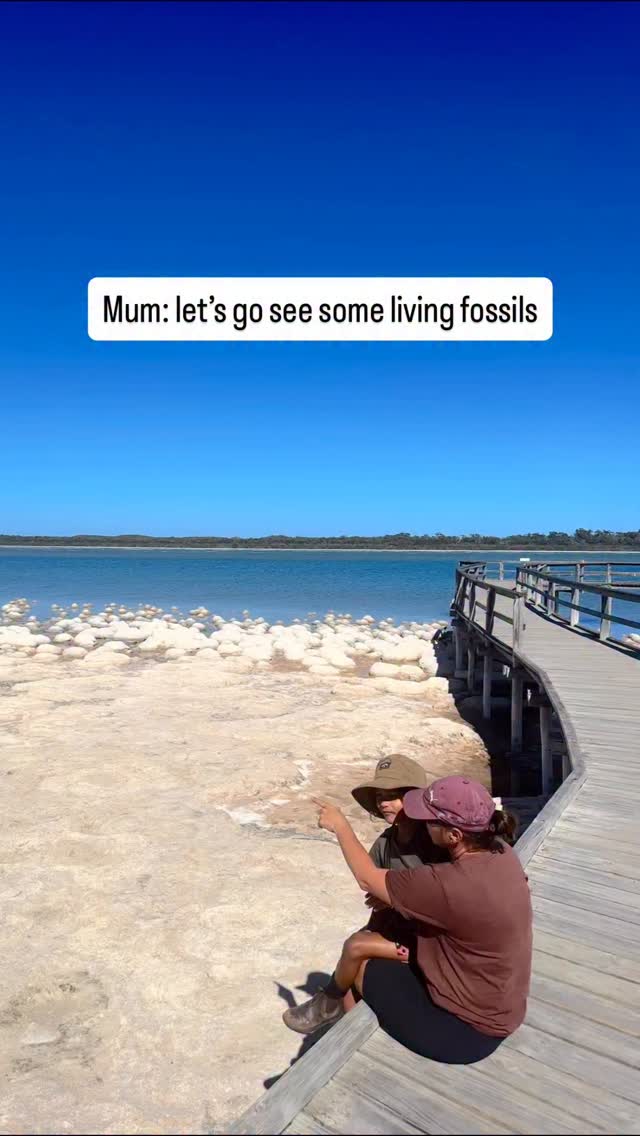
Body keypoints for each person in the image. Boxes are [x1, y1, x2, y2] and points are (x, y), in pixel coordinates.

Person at [286, 775, 532, 1064]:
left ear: (454, 835)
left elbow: (367, 879)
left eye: (430, 820)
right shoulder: (502, 854)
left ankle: (349, 1058)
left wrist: (340, 825)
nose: (423, 824)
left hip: (466, 1032)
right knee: (368, 949)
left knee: (360, 968)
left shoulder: (447, 883)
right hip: (502, 1007)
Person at [283, 753, 445, 1035]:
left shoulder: (433, 843)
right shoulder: (387, 842)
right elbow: (375, 888)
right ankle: (346, 1027)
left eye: (393, 795)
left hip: (433, 942)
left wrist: (341, 827)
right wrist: (383, 907)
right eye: (381, 796)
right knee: (357, 956)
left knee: (356, 947)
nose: (384, 802)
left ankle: (327, 1005)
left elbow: (437, 897)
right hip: (405, 929)